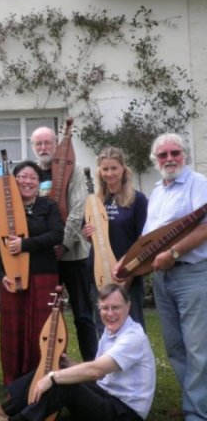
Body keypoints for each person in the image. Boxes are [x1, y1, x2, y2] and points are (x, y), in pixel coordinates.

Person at [0, 283, 155, 421]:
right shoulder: (112, 331)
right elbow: (101, 376)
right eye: (105, 308)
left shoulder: (133, 337)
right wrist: (68, 365)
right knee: (56, 370)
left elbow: (96, 370)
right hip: (110, 399)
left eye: (116, 307)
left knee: (61, 382)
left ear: (128, 307)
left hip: (125, 414)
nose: (110, 313)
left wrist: (54, 376)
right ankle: (1, 411)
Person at [127, 133, 207, 421]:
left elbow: (204, 228)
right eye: (163, 155)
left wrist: (173, 253)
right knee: (175, 346)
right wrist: (129, 265)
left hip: (192, 275)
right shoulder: (158, 190)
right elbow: (149, 239)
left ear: (184, 155)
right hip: (163, 279)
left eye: (175, 153)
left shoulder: (198, 184)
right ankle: (193, 404)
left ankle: (198, 413)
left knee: (198, 348)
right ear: (155, 160)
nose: (170, 158)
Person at [0, 161, 64, 385]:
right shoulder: (3, 209)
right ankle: (14, 381)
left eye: (33, 177)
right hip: (12, 276)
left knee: (42, 328)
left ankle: (41, 377)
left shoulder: (48, 206)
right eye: (22, 177)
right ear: (14, 181)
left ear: (39, 183)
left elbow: (57, 235)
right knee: (14, 329)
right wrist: (1, 273)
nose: (27, 181)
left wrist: (25, 244)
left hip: (44, 274)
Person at [30, 126, 97, 361]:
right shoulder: (31, 173)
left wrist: (63, 244)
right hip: (44, 255)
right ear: (33, 147)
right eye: (38, 144)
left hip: (73, 253)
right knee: (47, 313)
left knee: (83, 314)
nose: (43, 148)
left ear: (57, 144)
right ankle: (52, 364)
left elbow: (78, 209)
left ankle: (91, 366)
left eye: (48, 143)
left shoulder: (74, 170)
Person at [83, 146, 148, 330]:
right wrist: (88, 234)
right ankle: (105, 360)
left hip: (128, 272)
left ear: (123, 169)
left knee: (132, 326)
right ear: (99, 172)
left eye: (114, 168)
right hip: (99, 273)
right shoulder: (95, 201)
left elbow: (143, 238)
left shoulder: (138, 200)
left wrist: (127, 268)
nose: (110, 173)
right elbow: (90, 235)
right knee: (104, 328)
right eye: (105, 169)